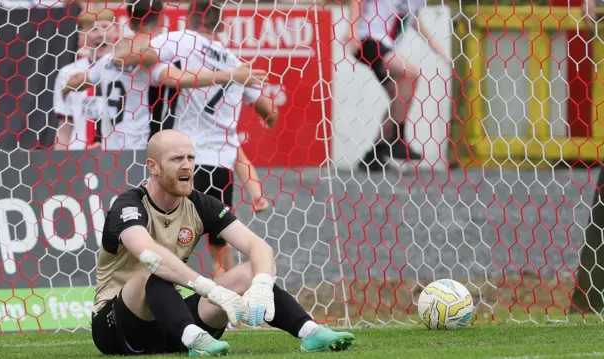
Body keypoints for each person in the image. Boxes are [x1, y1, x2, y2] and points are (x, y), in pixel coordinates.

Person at [90, 129, 355, 356]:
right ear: (153, 166)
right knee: (152, 270)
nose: (187, 165)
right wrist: (209, 288)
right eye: (176, 159)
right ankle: (195, 339)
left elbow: (258, 246)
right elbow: (148, 254)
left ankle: (310, 332)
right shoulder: (129, 204)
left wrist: (261, 285)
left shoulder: (201, 204)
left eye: (190, 158)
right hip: (116, 327)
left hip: (171, 322)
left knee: (249, 272)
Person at [149, 0, 279, 279]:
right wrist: (267, 117)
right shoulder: (236, 64)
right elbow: (269, 111)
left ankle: (161, 299)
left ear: (190, 16)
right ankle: (227, 303)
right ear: (220, 24)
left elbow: (144, 55)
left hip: (183, 158)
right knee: (218, 243)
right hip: (220, 165)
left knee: (164, 237)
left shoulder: (181, 40)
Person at [61, 0, 267, 152]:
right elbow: (178, 79)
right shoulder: (152, 60)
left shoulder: (110, 59)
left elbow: (78, 81)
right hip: (144, 151)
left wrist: (66, 88)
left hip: (110, 150)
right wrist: (231, 75)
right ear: (161, 19)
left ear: (129, 23)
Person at [345, 0, 451, 172]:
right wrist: (352, 30)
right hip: (368, 39)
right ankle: (397, 138)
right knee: (411, 74)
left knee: (399, 98)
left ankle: (374, 155)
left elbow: (414, 19)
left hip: (385, 45)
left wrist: (435, 46)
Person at [53, 6, 119, 151]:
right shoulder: (68, 73)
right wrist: (58, 165)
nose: (101, 34)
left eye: (106, 27)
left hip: (120, 153)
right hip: (78, 156)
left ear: (116, 31)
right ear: (81, 35)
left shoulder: (126, 70)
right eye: (93, 29)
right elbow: (65, 126)